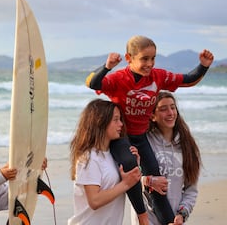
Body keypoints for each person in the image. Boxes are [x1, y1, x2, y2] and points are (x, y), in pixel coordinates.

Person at [86, 35, 213, 224]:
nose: (150, 64)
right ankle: (143, 218)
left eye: (153, 58)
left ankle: (169, 221)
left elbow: (187, 80)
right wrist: (107, 67)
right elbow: (92, 83)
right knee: (130, 165)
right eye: (144, 59)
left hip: (141, 137)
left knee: (158, 181)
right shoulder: (119, 79)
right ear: (129, 58)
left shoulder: (158, 76)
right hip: (122, 137)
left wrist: (203, 66)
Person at [68, 99, 143, 225]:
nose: (121, 124)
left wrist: (136, 166)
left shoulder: (112, 154)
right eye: (116, 120)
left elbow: (121, 184)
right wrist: (125, 183)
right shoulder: (89, 157)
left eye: (120, 120)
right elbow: (95, 201)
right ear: (100, 121)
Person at [131, 91, 201, 225]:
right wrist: (147, 180)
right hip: (145, 220)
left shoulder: (187, 146)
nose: (170, 113)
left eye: (173, 107)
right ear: (152, 116)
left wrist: (182, 214)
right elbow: (127, 180)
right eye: (163, 109)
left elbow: (191, 190)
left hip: (173, 220)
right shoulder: (143, 143)